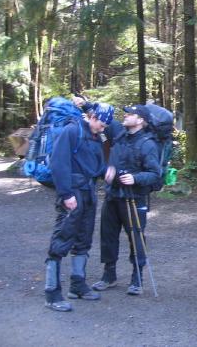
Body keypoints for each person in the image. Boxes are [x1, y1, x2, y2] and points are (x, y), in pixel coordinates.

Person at [44, 102, 115, 312]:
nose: (103, 128)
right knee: (62, 239)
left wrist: (106, 171)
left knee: (84, 239)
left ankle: (78, 285)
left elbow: (95, 165)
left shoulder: (96, 137)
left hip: (88, 194)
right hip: (72, 193)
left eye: (105, 126)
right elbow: (58, 163)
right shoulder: (72, 131)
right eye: (101, 124)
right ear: (93, 117)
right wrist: (66, 194)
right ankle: (52, 293)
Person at [92, 104, 160, 296]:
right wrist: (86, 105)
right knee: (108, 236)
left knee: (136, 238)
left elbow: (155, 174)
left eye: (130, 114)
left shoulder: (148, 144)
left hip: (134, 198)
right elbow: (102, 119)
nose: (126, 115)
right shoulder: (120, 134)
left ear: (140, 120)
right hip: (113, 195)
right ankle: (109, 276)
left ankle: (137, 279)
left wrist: (135, 178)